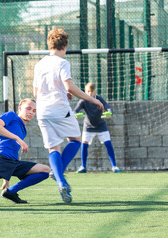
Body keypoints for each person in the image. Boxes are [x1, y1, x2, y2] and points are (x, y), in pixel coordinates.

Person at [33, 29, 104, 203]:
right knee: (75, 140)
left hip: (42, 110)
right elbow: (70, 87)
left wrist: (63, 92)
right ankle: (59, 176)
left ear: (49, 45)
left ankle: (60, 179)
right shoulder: (62, 63)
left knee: (53, 148)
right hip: (59, 109)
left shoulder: (39, 64)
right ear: (64, 46)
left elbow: (36, 92)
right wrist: (93, 100)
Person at [74, 83, 122, 173]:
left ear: (95, 91)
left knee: (108, 144)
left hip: (101, 125)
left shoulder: (99, 99)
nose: (90, 93)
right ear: (85, 91)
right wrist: (76, 115)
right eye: (88, 91)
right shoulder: (83, 100)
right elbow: (75, 110)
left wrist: (109, 112)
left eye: (91, 91)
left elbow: (108, 107)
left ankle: (114, 166)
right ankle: (83, 166)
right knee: (84, 144)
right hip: (88, 126)